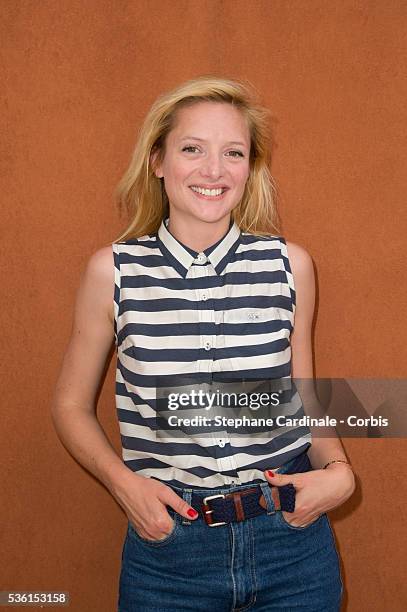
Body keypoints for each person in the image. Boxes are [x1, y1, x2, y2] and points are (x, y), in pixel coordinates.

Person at [51, 75, 356, 611]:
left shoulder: (291, 266)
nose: (213, 170)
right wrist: (125, 485)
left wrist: (338, 474)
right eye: (192, 149)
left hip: (292, 543)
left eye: (232, 152)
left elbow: (305, 394)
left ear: (250, 167)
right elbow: (70, 406)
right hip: (170, 554)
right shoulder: (113, 271)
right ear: (158, 161)